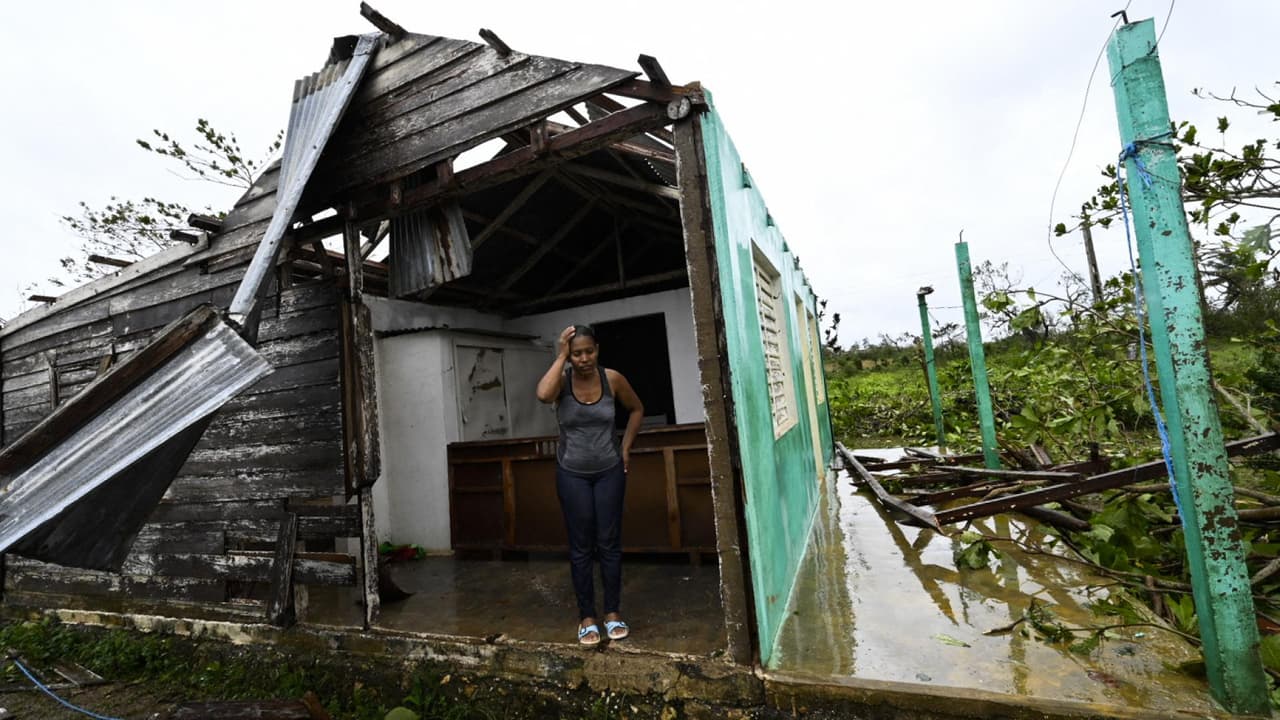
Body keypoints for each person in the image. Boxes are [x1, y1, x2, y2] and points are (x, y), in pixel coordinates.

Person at [536, 324, 644, 646]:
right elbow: (542, 395)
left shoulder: (613, 379)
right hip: (571, 474)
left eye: (589, 351)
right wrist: (559, 356)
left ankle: (612, 613)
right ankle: (587, 618)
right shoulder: (562, 382)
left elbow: (637, 409)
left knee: (608, 543)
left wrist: (624, 448)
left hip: (609, 470)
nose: (584, 359)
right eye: (576, 353)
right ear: (569, 355)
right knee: (581, 546)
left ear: (597, 349)